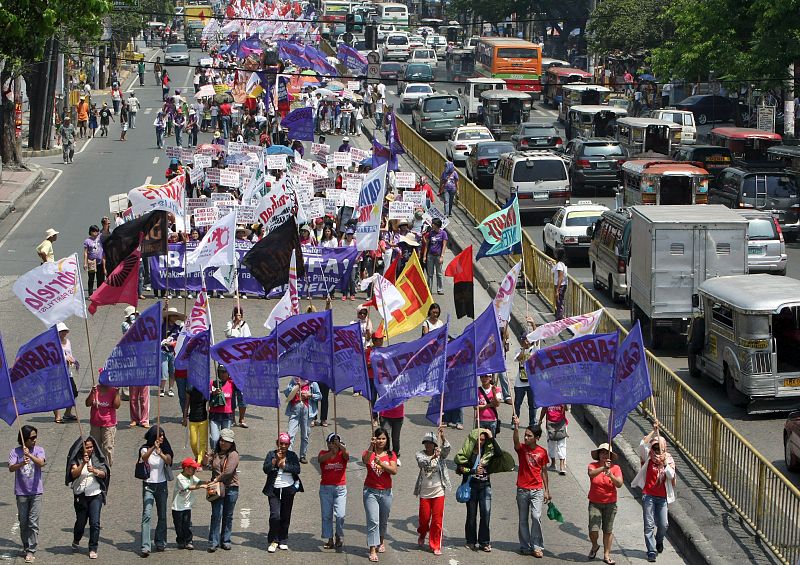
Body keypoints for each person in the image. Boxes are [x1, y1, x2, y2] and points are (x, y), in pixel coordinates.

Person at [454, 428, 514, 552]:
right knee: (471, 515)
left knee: (485, 514)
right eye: (479, 439)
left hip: (485, 485)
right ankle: (470, 540)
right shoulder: (467, 452)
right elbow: (460, 468)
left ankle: (484, 542)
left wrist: (491, 437)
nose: (480, 442)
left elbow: (499, 454)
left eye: (483, 440)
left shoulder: (488, 452)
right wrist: (473, 471)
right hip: (471, 486)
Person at [632, 424, 676, 562]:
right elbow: (642, 445)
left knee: (664, 525)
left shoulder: (668, 459)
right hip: (649, 495)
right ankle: (651, 550)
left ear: (664, 448)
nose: (657, 450)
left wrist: (664, 465)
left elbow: (671, 475)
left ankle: (659, 540)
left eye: (659, 448)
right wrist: (654, 431)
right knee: (649, 525)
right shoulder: (648, 457)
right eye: (655, 447)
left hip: (662, 497)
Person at [511, 417, 550, 557]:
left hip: (537, 489)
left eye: (529, 436)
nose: (526, 438)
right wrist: (516, 427)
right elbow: (516, 442)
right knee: (523, 519)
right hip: (522, 489)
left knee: (536, 516)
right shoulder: (522, 449)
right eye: (525, 435)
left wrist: (546, 490)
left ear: (537, 438)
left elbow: (544, 471)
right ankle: (524, 546)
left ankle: (537, 545)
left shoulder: (542, 452)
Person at [66, 435, 109, 560]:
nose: (89, 449)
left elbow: (104, 473)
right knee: (81, 523)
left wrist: (95, 471)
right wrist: (83, 463)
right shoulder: (76, 459)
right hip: (81, 495)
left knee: (95, 523)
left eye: (91, 447)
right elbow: (73, 473)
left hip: (95, 494)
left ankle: (93, 547)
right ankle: (76, 538)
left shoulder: (97, 458)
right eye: (87, 447)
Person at [9, 425, 46, 563]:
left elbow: (41, 463)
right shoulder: (15, 452)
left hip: (36, 492)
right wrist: (20, 462)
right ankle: (26, 546)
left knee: (33, 522)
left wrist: (29, 455)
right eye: (32, 438)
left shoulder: (39, 450)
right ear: (24, 439)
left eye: (36, 437)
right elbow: (11, 468)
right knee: (23, 522)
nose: (35, 440)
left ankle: (31, 549)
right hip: (21, 492)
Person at [263, 432, 304, 552]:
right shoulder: (271, 454)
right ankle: (274, 540)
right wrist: (274, 462)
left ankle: (283, 539)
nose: (283, 446)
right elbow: (265, 469)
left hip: (288, 488)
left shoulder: (292, 456)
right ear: (277, 443)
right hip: (274, 489)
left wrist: (285, 466)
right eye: (281, 443)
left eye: (286, 444)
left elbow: (297, 469)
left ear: (289, 444)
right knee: (275, 516)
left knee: (285, 516)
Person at [362, 428, 398, 562]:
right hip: (370, 491)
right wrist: (371, 447)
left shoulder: (391, 454)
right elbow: (365, 460)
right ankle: (372, 549)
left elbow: (394, 470)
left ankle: (381, 541)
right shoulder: (369, 453)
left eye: (383, 438)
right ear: (374, 439)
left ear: (387, 440)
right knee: (373, 520)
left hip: (386, 492)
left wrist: (381, 463)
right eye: (378, 438)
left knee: (383, 520)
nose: (381, 441)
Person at [139, 426, 173, 557]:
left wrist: (161, 454)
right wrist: (153, 448)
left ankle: (160, 541)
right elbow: (144, 458)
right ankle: (145, 545)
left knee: (162, 515)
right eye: (160, 436)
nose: (163, 438)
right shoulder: (144, 448)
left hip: (162, 485)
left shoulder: (165, 448)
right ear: (154, 437)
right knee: (146, 514)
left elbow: (169, 461)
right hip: (148, 485)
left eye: (163, 435)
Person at [415, 428, 450, 555]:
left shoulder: (440, 454)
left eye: (431, 443)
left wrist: (443, 437)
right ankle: (422, 533)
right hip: (424, 492)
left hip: (438, 492)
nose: (428, 445)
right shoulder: (420, 454)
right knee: (424, 520)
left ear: (435, 444)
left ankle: (435, 545)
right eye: (426, 442)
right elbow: (422, 464)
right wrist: (432, 458)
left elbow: (447, 449)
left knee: (437, 521)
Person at [587, 443, 624, 564]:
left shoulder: (616, 468)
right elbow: (591, 474)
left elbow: (619, 484)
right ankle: (594, 545)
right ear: (598, 454)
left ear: (610, 456)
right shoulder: (593, 465)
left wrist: (611, 475)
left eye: (606, 453)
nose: (604, 454)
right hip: (595, 503)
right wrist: (603, 468)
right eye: (602, 452)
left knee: (608, 530)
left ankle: (606, 554)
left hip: (610, 503)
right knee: (593, 530)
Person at [205, 428, 240, 552]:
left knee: (228, 515)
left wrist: (216, 479)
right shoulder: (215, 452)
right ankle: (213, 542)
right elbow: (206, 465)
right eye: (222, 440)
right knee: (216, 515)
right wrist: (206, 458)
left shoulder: (233, 454)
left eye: (227, 441)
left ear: (231, 443)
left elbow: (228, 472)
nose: (223, 443)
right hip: (217, 488)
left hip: (231, 488)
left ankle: (226, 540)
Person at [318, 432, 348, 550]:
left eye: (334, 443)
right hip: (325, 489)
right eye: (330, 443)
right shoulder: (323, 453)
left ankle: (338, 535)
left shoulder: (342, 454)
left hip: (340, 489)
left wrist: (339, 447)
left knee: (340, 515)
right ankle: (329, 539)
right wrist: (332, 452)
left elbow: (347, 455)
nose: (332, 445)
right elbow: (321, 460)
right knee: (326, 515)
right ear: (327, 444)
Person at [283, 377, 321, 464]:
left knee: (305, 435)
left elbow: (319, 396)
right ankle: (288, 455)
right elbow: (286, 393)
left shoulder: (313, 382)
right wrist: (295, 388)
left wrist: (310, 395)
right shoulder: (294, 380)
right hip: (294, 410)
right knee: (290, 433)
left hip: (307, 411)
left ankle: (302, 455)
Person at [172, 457, 206, 550]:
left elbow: (198, 481)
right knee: (179, 525)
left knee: (187, 524)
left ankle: (189, 540)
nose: (195, 470)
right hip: (177, 507)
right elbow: (189, 487)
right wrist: (201, 486)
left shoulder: (191, 476)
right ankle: (180, 541)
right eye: (193, 468)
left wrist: (207, 483)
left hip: (186, 505)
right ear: (186, 469)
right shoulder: (180, 478)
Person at [85, 382, 120, 467]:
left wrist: (117, 393)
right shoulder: (95, 389)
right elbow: (87, 403)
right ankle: (95, 466)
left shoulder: (113, 390)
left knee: (108, 447)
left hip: (109, 424)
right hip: (95, 423)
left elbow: (117, 406)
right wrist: (92, 393)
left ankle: (106, 468)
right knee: (94, 447)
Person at [55, 322, 78, 423]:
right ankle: (57, 416)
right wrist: (65, 358)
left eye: (65, 331)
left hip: (67, 372)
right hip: (56, 373)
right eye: (61, 331)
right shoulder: (54, 343)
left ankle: (67, 413)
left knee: (73, 392)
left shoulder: (67, 342)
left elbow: (69, 353)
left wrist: (73, 361)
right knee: (56, 394)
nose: (64, 333)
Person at [538, 404, 568, 475]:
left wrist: (565, 403)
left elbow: (566, 409)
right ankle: (553, 463)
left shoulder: (562, 398)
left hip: (561, 425)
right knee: (551, 445)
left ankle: (562, 465)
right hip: (550, 425)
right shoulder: (547, 398)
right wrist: (540, 420)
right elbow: (544, 409)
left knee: (561, 445)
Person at [209, 366, 235, 447]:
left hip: (227, 415)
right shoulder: (212, 383)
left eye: (225, 372)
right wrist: (213, 393)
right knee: (215, 439)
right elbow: (205, 397)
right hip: (214, 415)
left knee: (226, 439)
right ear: (218, 373)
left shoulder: (232, 384)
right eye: (221, 372)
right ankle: (214, 453)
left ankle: (224, 456)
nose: (223, 374)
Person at [183, 383, 209, 464]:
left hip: (203, 419)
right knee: (193, 442)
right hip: (192, 419)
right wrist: (184, 418)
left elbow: (210, 401)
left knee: (202, 442)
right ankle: (197, 456)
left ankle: (199, 462)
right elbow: (186, 405)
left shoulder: (205, 391)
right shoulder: (189, 390)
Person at [422, 218, 448, 295]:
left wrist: (442, 256)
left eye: (433, 223)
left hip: (438, 256)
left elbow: (444, 245)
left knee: (439, 273)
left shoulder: (443, 233)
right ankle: (429, 289)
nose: (432, 225)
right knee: (430, 274)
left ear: (437, 225)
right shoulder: (430, 233)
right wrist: (424, 256)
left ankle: (440, 289)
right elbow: (427, 245)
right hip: (430, 255)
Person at [83, 224, 105, 294]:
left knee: (100, 279)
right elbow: (85, 252)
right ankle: (90, 294)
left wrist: (105, 222)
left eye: (97, 231)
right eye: (94, 231)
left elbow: (105, 231)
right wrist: (85, 263)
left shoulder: (100, 238)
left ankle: (99, 293)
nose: (96, 233)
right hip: (91, 262)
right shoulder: (87, 241)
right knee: (91, 279)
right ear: (91, 232)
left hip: (100, 262)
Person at [552, 246, 567, 320]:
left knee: (559, 302)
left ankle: (559, 319)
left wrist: (557, 290)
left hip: (560, 286)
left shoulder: (559, 265)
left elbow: (560, 278)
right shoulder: (560, 264)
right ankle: (558, 317)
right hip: (561, 286)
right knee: (559, 303)